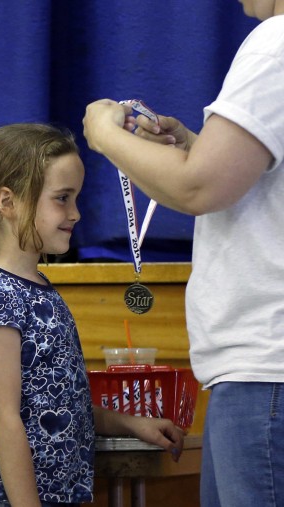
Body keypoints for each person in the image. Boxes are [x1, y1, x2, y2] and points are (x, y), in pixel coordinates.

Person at [82, 1, 284, 505]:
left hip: (267, 374)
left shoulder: (277, 43)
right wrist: (197, 146)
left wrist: (104, 134)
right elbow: (231, 176)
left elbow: (198, 188)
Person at [0, 123, 185, 507]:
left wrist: (134, 424)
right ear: (8, 202)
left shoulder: (42, 288)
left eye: (75, 199)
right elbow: (5, 419)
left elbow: (63, 404)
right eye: (62, 198)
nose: (76, 213)